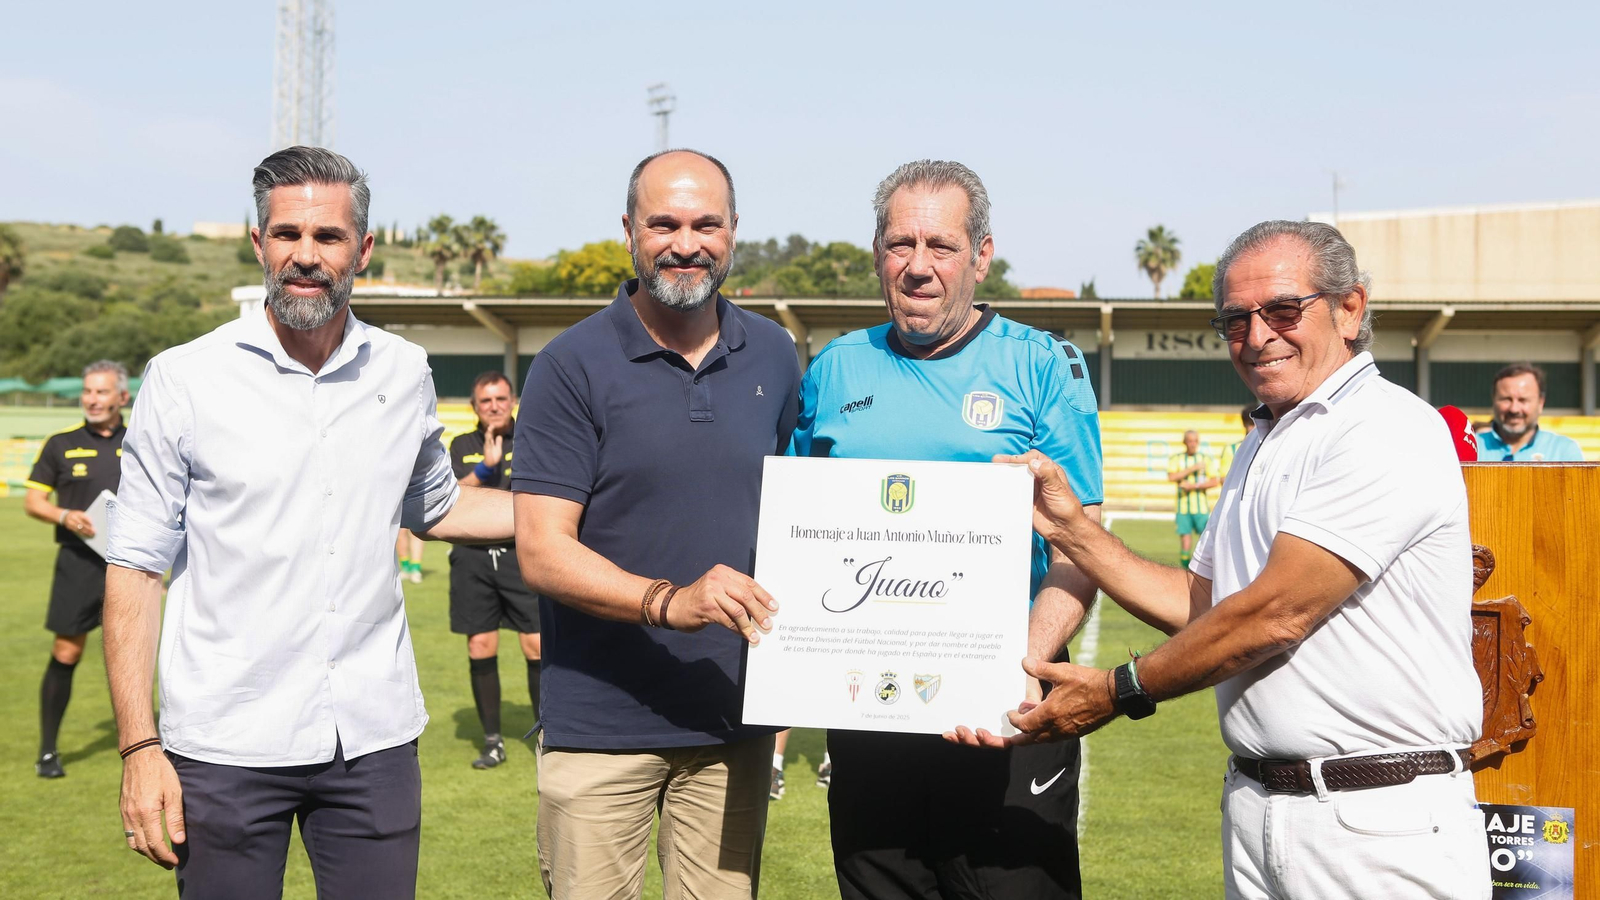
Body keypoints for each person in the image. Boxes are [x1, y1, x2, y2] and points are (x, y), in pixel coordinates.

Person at [953, 220, 1488, 900]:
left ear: (1350, 310)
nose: (1258, 334)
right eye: (1235, 319)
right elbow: (1205, 606)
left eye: (1284, 310)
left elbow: (1274, 614)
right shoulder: (1268, 434)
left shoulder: (1383, 427)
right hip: (1263, 806)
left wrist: (1119, 691)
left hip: (1377, 820)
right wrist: (1073, 532)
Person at [103, 146, 514, 898]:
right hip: (226, 742)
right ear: (257, 242)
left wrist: (573, 511)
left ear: (364, 246)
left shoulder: (403, 370)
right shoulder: (185, 378)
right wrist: (138, 746)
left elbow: (439, 506)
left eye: (327, 237)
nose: (306, 255)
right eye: (287, 234)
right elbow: (134, 565)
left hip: (373, 740)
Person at [791, 159, 1102, 899]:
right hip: (868, 716)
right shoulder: (835, 368)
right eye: (901, 244)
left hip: (1006, 717)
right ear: (877, 254)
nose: (919, 267)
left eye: (942, 245)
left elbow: (1084, 545)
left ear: (982, 255)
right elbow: (801, 531)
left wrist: (1018, 666)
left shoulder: (1042, 365)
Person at [512, 148, 800, 900]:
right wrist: (674, 602)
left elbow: (809, 517)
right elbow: (542, 551)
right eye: (663, 223)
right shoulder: (570, 364)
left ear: (734, 230)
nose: (685, 242)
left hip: (730, 724)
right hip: (601, 726)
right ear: (629, 231)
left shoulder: (774, 353)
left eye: (706, 223)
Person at [23, 359, 130, 779]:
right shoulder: (60, 444)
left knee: (140, 655)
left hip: (131, 566)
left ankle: (153, 747)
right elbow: (34, 501)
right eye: (87, 391)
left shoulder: (141, 440)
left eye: (101, 391)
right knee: (67, 652)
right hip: (78, 564)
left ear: (122, 396)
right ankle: (48, 750)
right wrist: (64, 516)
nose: (92, 399)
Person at [448, 369, 542, 769]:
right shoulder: (461, 444)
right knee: (480, 645)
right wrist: (484, 470)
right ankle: (492, 741)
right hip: (472, 558)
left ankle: (546, 737)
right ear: (475, 406)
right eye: (485, 401)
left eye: (501, 399)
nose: (494, 407)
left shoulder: (535, 439)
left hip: (523, 555)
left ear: (512, 401)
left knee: (537, 644)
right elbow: (448, 496)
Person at [1476, 362, 1584, 461]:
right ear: (1493, 400)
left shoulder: (1564, 451)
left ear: (1540, 403)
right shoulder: (1468, 449)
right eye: (1506, 399)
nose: (1514, 409)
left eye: (1523, 400)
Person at [1167, 429, 1218, 569]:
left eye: (1195, 441)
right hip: (1183, 507)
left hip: (1201, 507)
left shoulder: (1206, 459)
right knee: (1185, 540)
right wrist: (1192, 469)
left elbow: (1215, 481)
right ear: (1185, 442)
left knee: (1207, 539)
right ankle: (1184, 570)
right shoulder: (1177, 458)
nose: (1193, 444)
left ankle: (1206, 570)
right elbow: (1171, 477)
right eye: (1190, 441)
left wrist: (1194, 486)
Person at [1217, 405, 1256, 476]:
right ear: (1244, 424)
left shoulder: (1268, 447)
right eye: (1251, 424)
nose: (1255, 428)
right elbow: (1224, 478)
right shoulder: (1231, 449)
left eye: (1257, 424)